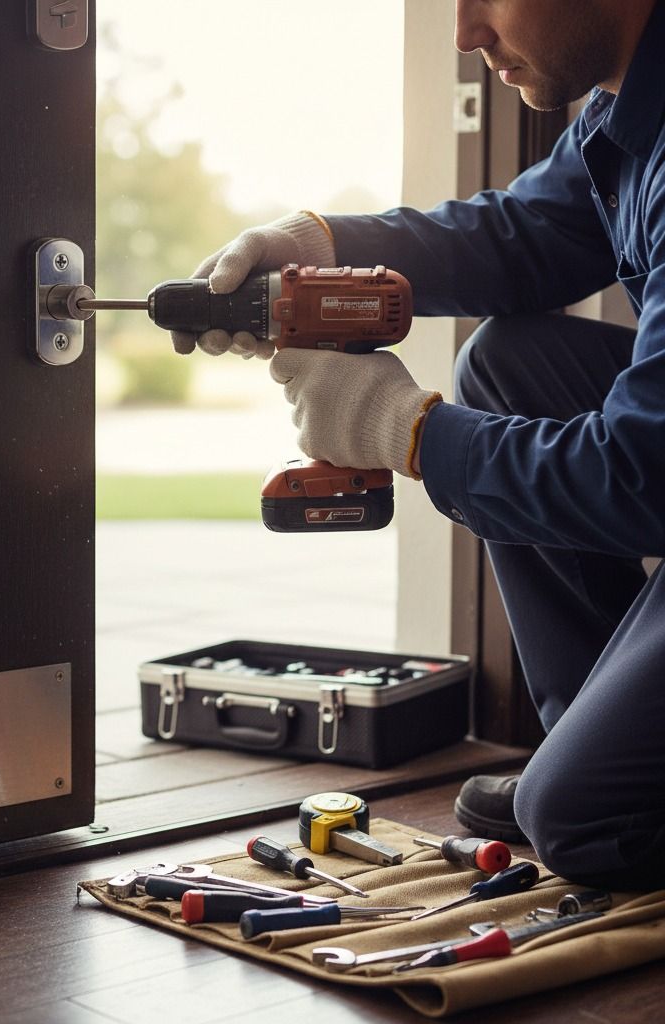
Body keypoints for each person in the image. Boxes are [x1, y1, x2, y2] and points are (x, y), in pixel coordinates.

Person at [172, 0, 665, 890]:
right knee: (513, 363)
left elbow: (645, 477)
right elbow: (523, 236)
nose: (466, 33)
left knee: (583, 820)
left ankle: (606, 783)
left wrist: (404, 431)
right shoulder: (624, 110)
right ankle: (594, 731)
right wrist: (319, 248)